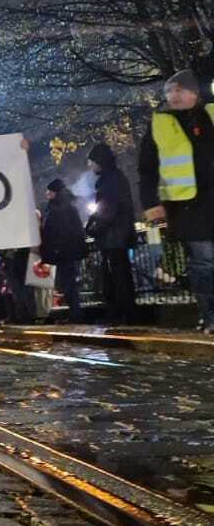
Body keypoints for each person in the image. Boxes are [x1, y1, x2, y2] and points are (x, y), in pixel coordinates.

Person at [139, 68, 214, 333]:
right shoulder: (159, 123)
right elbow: (146, 168)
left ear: (195, 92)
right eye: (169, 91)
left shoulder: (211, 113)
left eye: (179, 89)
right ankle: (210, 316)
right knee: (204, 262)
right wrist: (150, 202)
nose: (173, 95)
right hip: (187, 206)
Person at [86, 142, 136, 322]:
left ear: (100, 161)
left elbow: (107, 210)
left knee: (118, 276)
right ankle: (124, 312)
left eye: (91, 161)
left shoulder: (110, 181)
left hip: (114, 237)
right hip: (117, 236)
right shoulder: (114, 178)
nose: (89, 165)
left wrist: (93, 228)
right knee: (120, 274)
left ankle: (123, 313)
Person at [40, 178, 87, 322]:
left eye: (49, 191)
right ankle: (74, 313)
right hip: (65, 251)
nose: (47, 193)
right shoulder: (63, 207)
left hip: (63, 252)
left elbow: (61, 231)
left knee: (68, 283)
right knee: (68, 283)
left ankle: (75, 314)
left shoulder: (59, 209)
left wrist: (56, 247)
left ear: (56, 192)